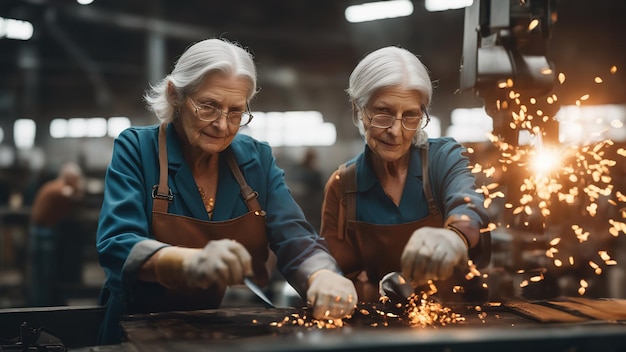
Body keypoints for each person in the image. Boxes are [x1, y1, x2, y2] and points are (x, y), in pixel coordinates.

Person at [95, 38, 357, 345]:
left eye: (235, 112)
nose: (222, 126)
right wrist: (188, 262)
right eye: (209, 107)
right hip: (136, 331)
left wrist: (321, 273)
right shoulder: (137, 149)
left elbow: (294, 236)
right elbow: (117, 245)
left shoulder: (256, 158)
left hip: (217, 329)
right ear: (174, 95)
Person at [320, 46, 491, 303]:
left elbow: (468, 204)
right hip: (382, 327)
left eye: (410, 115)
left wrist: (454, 237)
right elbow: (337, 273)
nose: (396, 131)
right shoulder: (343, 186)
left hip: (457, 319)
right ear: (358, 109)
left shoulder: (443, 159)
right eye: (383, 112)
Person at [28, 162, 85, 306]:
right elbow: (75, 195)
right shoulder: (62, 189)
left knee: (40, 272)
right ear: (69, 177)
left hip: (38, 230)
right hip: (45, 232)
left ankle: (41, 302)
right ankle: (43, 305)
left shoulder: (52, 185)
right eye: (76, 178)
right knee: (46, 273)